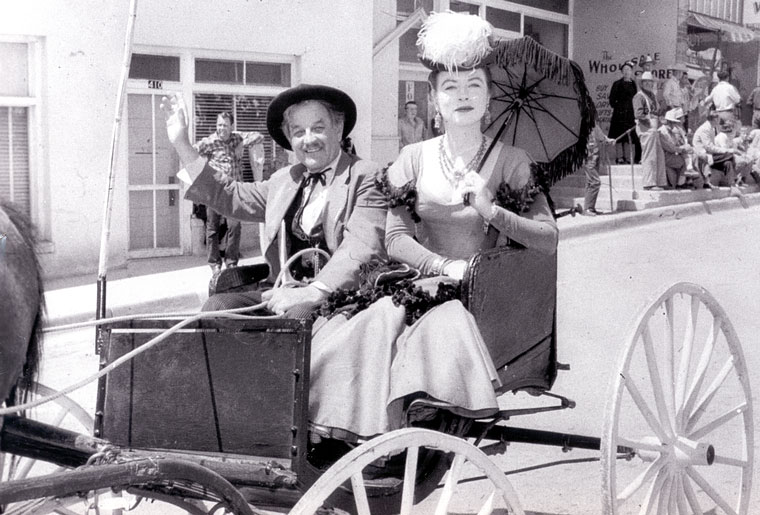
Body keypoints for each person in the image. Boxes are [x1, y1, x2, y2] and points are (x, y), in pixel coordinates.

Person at [307, 11, 558, 442]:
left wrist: (491, 209)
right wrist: (444, 267)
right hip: (423, 281)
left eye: (474, 85)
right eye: (451, 88)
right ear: (434, 98)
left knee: (436, 324)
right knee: (364, 326)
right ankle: (353, 431)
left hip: (484, 293)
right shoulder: (412, 158)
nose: (463, 96)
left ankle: (411, 416)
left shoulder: (513, 160)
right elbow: (396, 238)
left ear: (489, 97)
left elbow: (548, 239)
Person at [160, 84, 388, 316]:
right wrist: (182, 143)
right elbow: (230, 194)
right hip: (284, 291)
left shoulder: (366, 175)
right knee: (217, 307)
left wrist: (313, 291)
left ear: (338, 129)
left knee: (298, 316)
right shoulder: (284, 179)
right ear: (289, 138)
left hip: (339, 296)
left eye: (318, 128)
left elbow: (362, 246)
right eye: (298, 132)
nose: (308, 140)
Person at [194, 112, 263, 274]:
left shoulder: (237, 138)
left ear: (231, 126)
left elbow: (259, 136)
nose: (221, 128)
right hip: (215, 191)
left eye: (225, 125)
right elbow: (192, 150)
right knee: (213, 228)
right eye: (219, 125)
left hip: (234, 192)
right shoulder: (210, 141)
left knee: (235, 226)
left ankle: (231, 262)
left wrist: (242, 144)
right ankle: (214, 264)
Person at [633, 71, 666, 189]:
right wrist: (650, 123)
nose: (648, 84)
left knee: (659, 155)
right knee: (649, 155)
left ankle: (660, 182)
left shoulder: (652, 96)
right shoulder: (639, 96)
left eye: (650, 82)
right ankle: (649, 183)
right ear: (642, 83)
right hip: (645, 128)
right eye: (645, 82)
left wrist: (660, 117)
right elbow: (638, 114)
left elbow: (656, 111)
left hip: (654, 127)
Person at [692, 111, 735, 188]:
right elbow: (709, 147)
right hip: (704, 154)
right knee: (730, 155)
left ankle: (732, 185)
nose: (720, 120)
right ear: (715, 119)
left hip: (710, 154)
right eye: (718, 119)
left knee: (728, 162)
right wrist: (726, 150)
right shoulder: (705, 129)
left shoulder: (711, 128)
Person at [608, 62, 639, 164]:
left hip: (630, 114)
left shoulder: (633, 84)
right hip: (619, 114)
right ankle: (619, 157)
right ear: (622, 72)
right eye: (624, 70)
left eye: (629, 70)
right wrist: (619, 107)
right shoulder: (617, 84)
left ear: (631, 72)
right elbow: (612, 99)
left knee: (629, 136)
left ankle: (628, 157)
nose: (627, 72)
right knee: (618, 136)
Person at [582, 123, 614, 215]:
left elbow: (600, 135)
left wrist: (607, 140)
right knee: (595, 182)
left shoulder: (592, 123)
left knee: (590, 182)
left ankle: (590, 208)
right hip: (588, 156)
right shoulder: (580, 124)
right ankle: (588, 208)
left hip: (594, 155)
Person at [658, 108, 692, 189]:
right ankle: (681, 183)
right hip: (665, 157)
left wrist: (684, 147)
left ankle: (683, 181)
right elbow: (670, 148)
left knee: (691, 157)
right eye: (673, 123)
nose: (674, 125)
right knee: (685, 161)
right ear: (668, 122)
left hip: (672, 155)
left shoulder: (671, 131)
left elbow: (676, 144)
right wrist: (683, 148)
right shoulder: (662, 132)